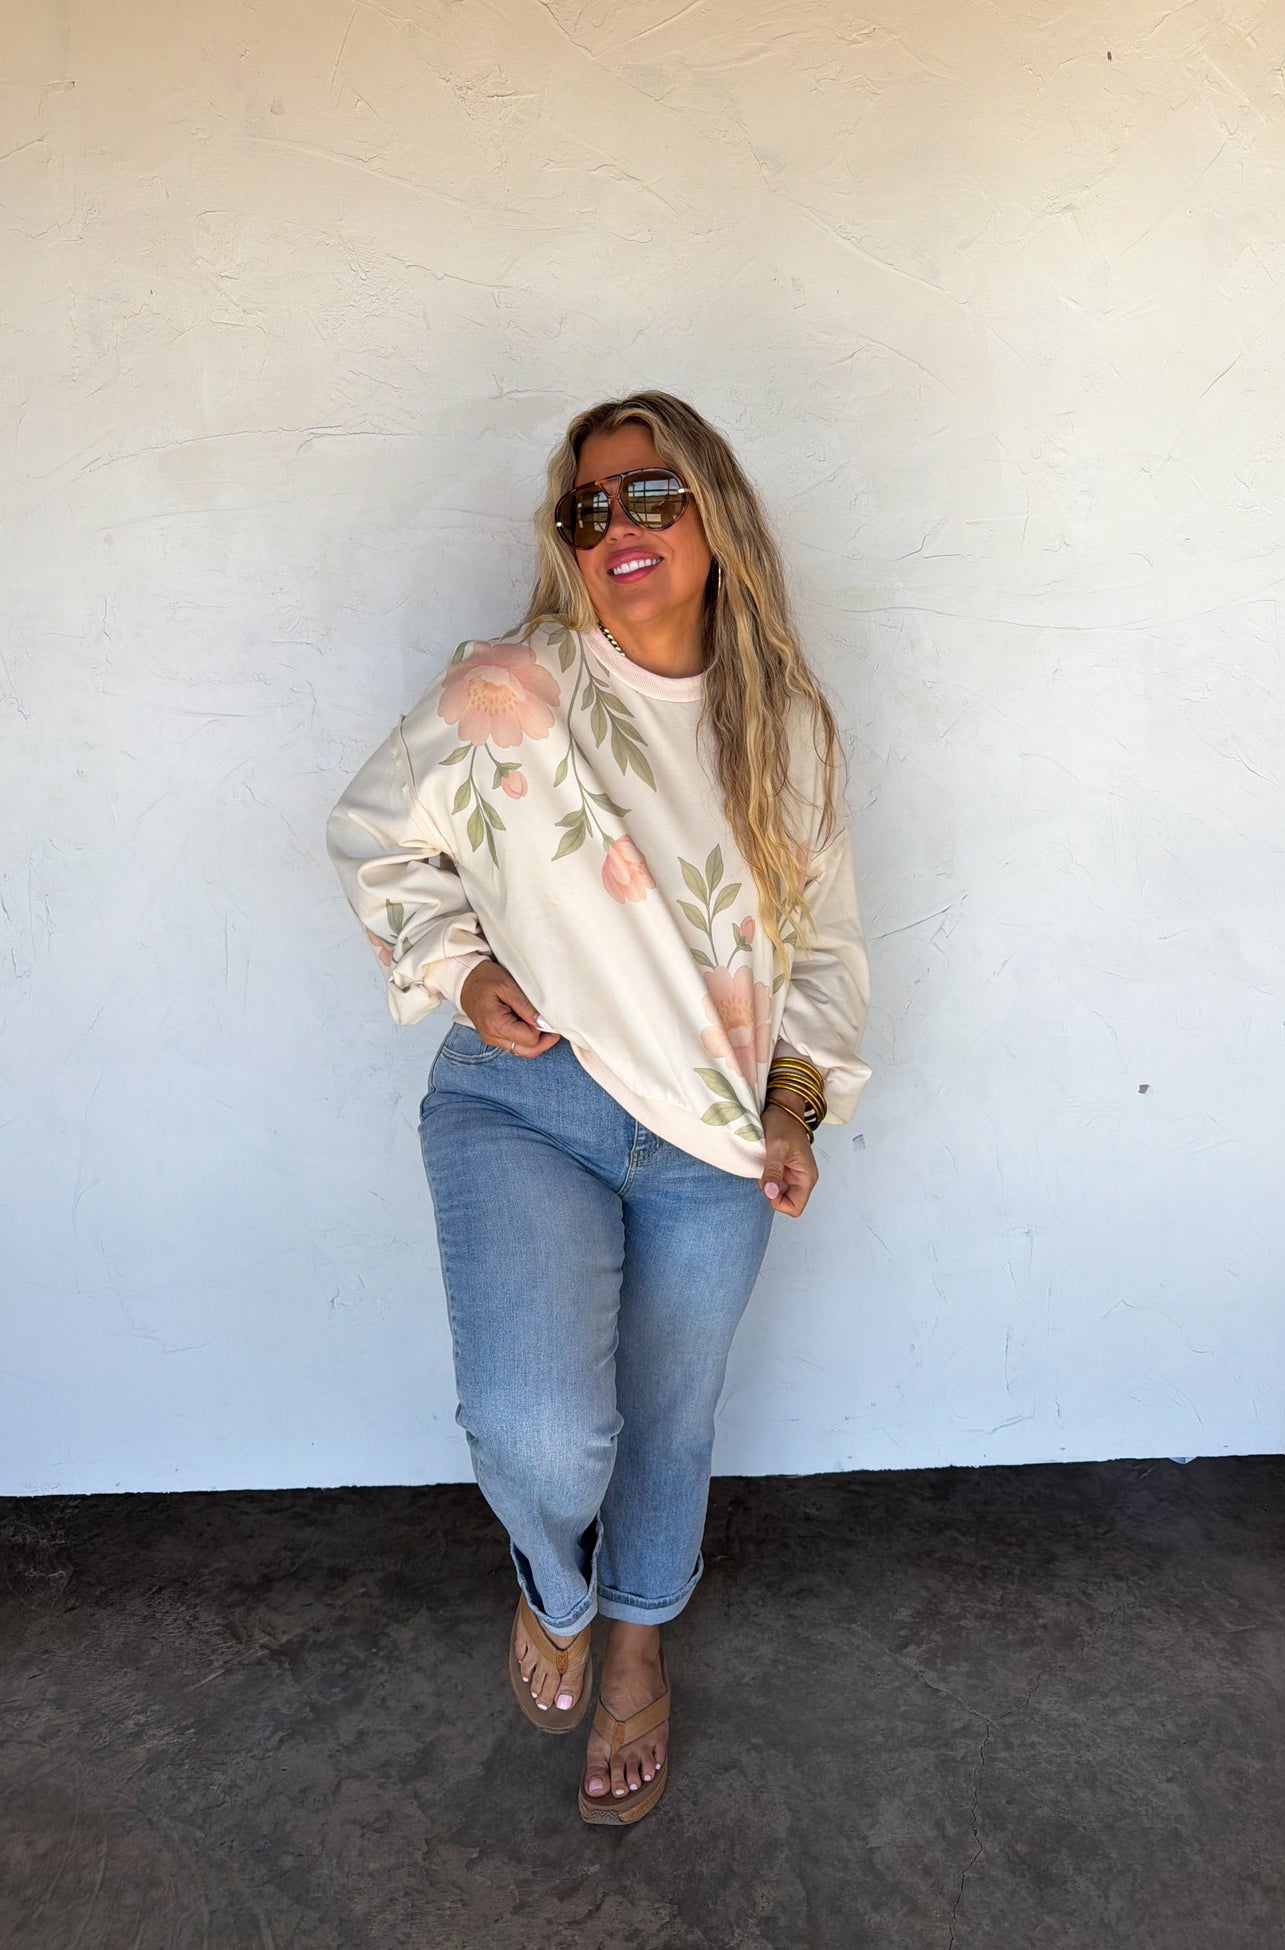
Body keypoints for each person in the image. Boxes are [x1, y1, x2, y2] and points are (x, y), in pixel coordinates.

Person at [325, 390, 871, 1825]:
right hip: (528, 1101)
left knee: (670, 1418)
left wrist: (795, 1105)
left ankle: (634, 1640)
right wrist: (459, 968)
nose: (618, 524)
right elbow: (376, 835)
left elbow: (825, 954)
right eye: (589, 506)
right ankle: (554, 1591)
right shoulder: (512, 689)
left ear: (715, 517)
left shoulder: (788, 734)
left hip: (711, 1135)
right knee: (540, 1429)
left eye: (653, 494)